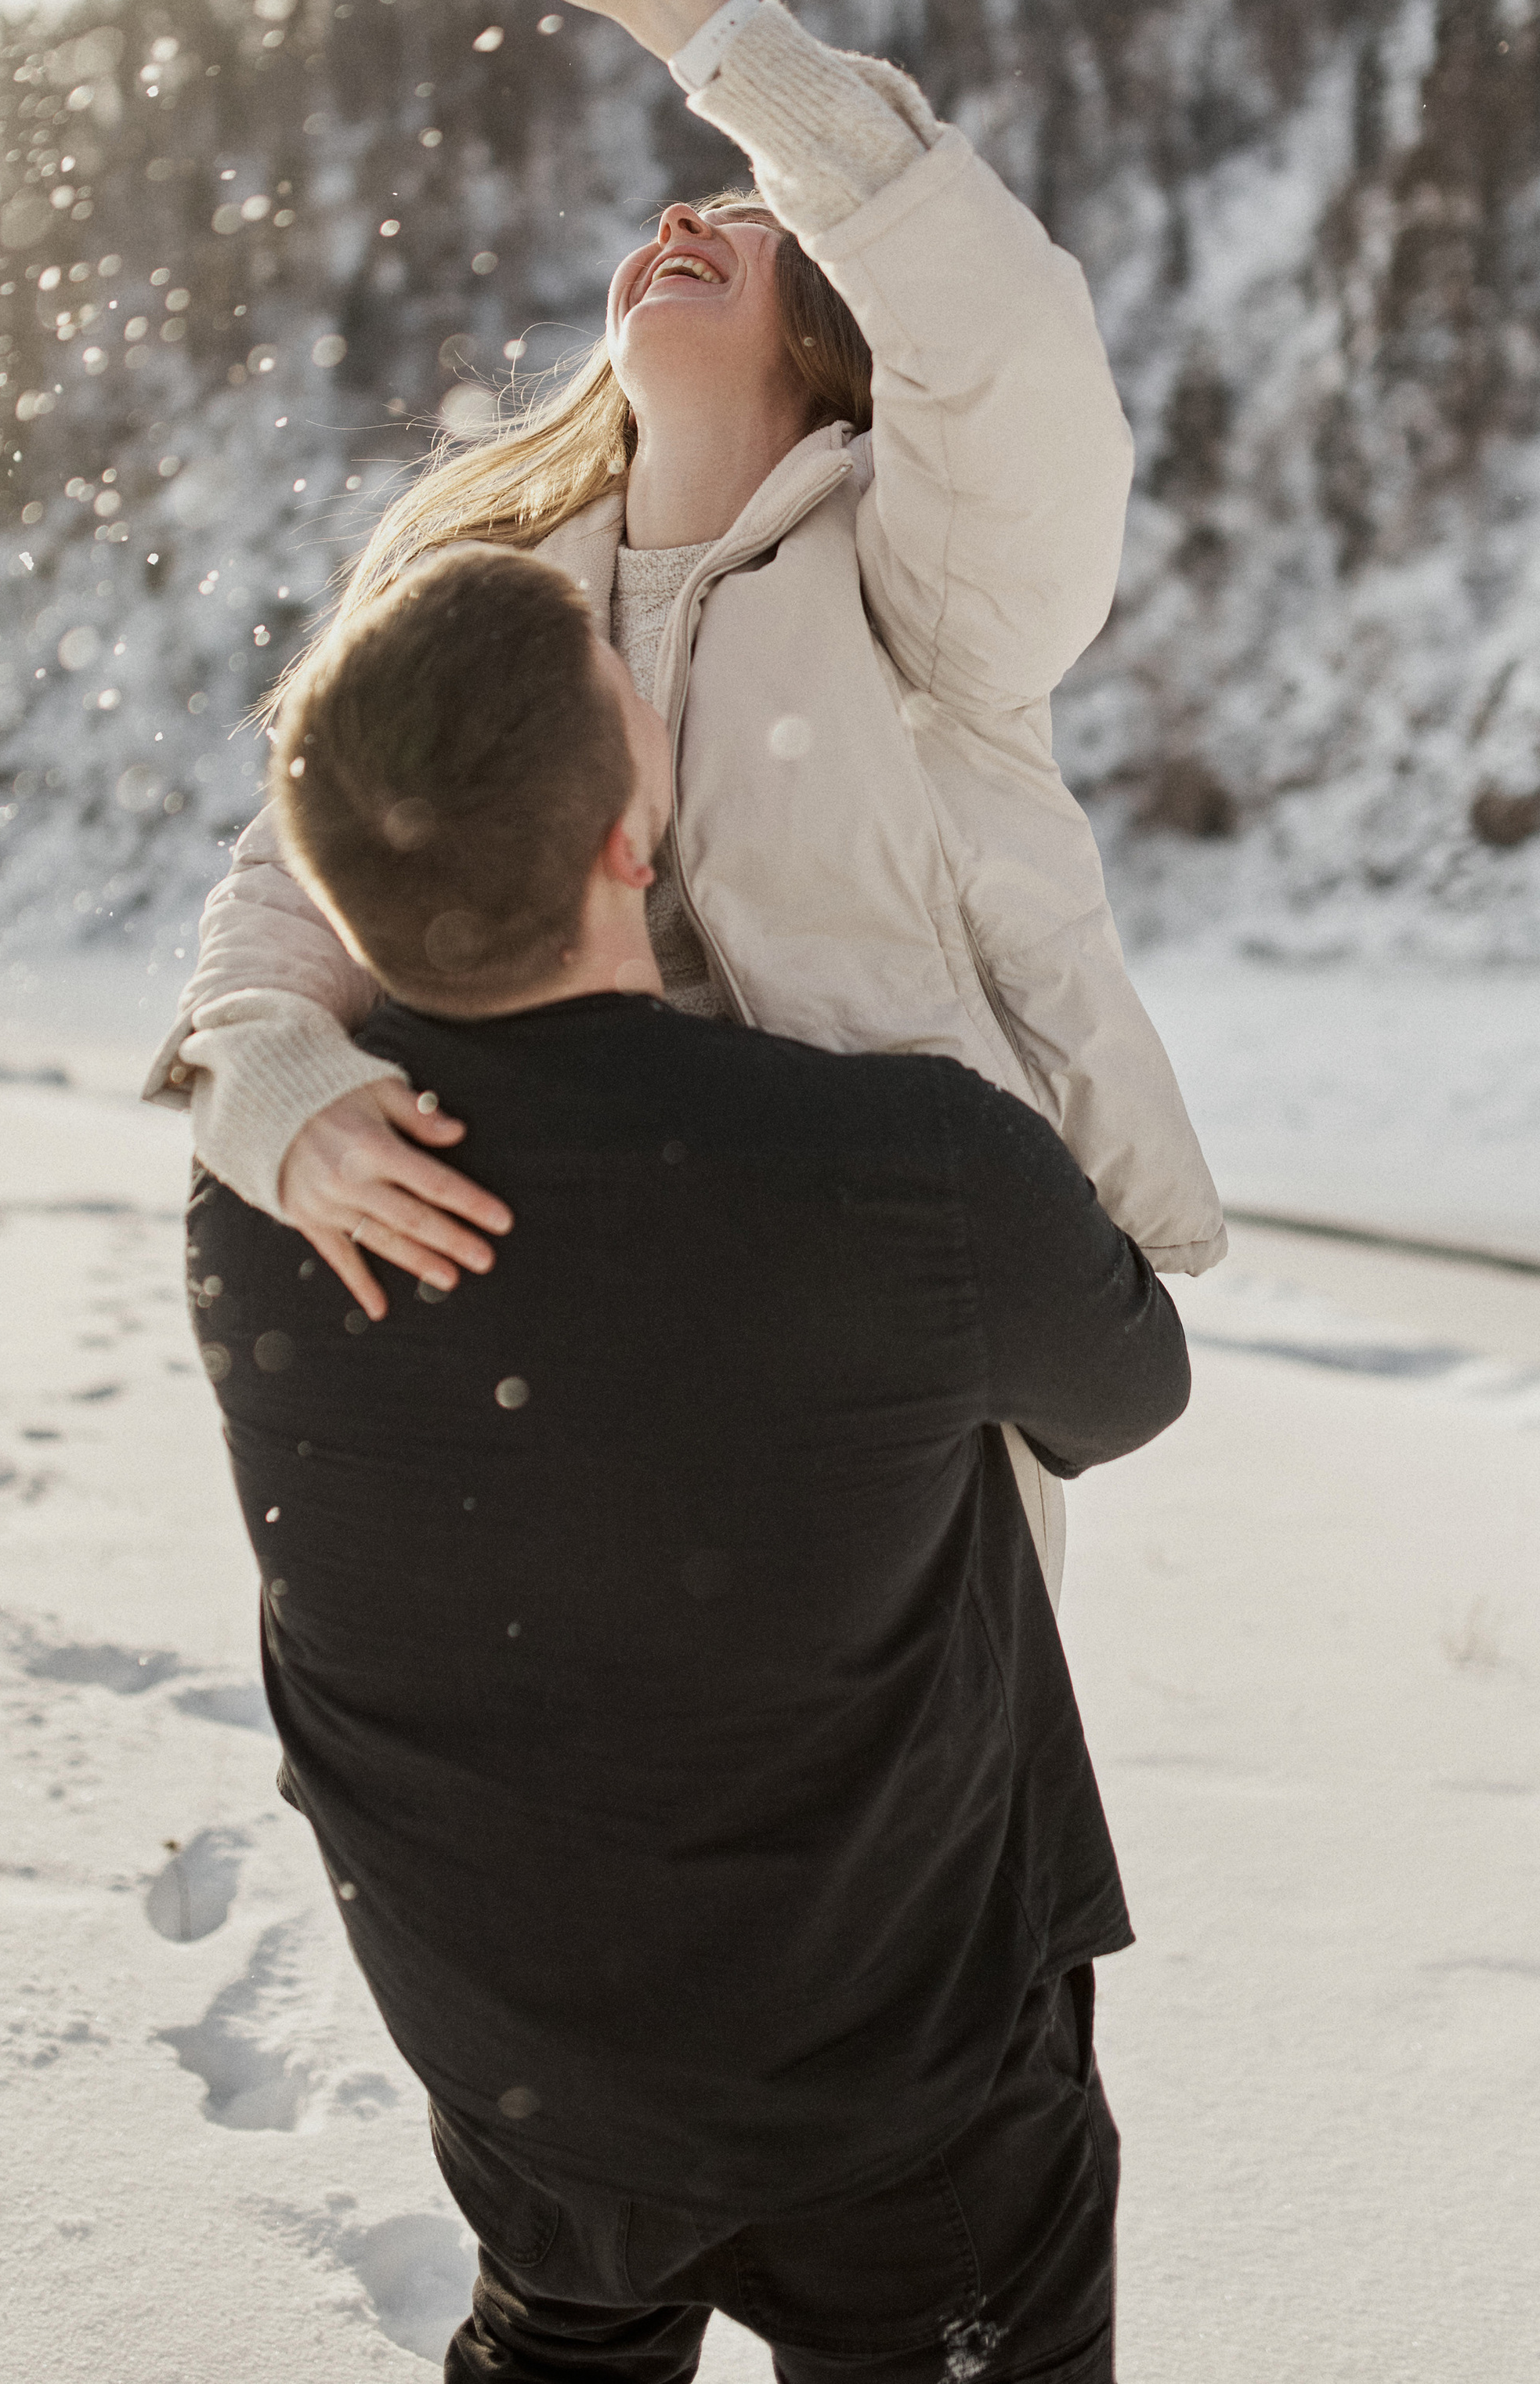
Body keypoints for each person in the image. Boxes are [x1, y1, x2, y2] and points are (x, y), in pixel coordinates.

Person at [148, 0, 1226, 1594]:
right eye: (671, 214)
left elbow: (998, 335)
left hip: (893, 1342)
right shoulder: (493, 600)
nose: (680, 219)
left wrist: (685, 12)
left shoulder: (927, 603)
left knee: (907, 1747)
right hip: (569, 1307)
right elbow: (302, 874)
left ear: (838, 331)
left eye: (744, 221)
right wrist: (269, 1067)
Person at [189, 540, 1190, 2382]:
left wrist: (257, 1044)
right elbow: (1123, 1393)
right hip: (901, 2115)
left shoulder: (267, 1202)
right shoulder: (908, 1170)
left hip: (521, 2081)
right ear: (628, 842)